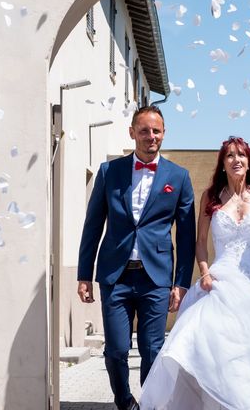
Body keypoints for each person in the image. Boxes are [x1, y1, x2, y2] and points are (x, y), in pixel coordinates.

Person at [140, 136, 250, 410]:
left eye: (241, 155)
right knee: (214, 353)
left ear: (249, 161)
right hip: (219, 282)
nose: (236, 160)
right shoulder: (211, 196)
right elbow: (200, 241)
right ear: (222, 163)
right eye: (230, 155)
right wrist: (204, 273)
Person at [77, 105, 196, 410]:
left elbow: (185, 236)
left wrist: (181, 284)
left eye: (156, 131)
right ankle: (124, 402)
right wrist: (83, 275)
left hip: (155, 278)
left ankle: (152, 402)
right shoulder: (109, 172)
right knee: (116, 349)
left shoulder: (179, 177)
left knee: (153, 349)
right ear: (132, 133)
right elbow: (92, 225)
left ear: (164, 133)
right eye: (144, 130)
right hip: (115, 275)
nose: (150, 136)